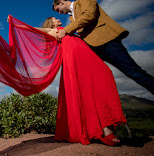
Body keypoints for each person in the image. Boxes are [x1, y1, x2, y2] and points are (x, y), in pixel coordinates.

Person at [8, 16, 127, 146]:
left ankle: (105, 129)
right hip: (76, 62)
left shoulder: (69, 30)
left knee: (105, 76)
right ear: (51, 23)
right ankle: (105, 132)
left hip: (88, 58)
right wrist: (15, 23)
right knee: (87, 92)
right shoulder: (54, 31)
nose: (58, 18)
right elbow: (34, 30)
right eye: (54, 18)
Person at [52, 0, 154, 95]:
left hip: (107, 43)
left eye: (58, 10)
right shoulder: (71, 17)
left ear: (61, 2)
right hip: (94, 49)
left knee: (133, 72)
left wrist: (66, 30)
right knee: (97, 79)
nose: (60, 13)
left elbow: (89, 15)